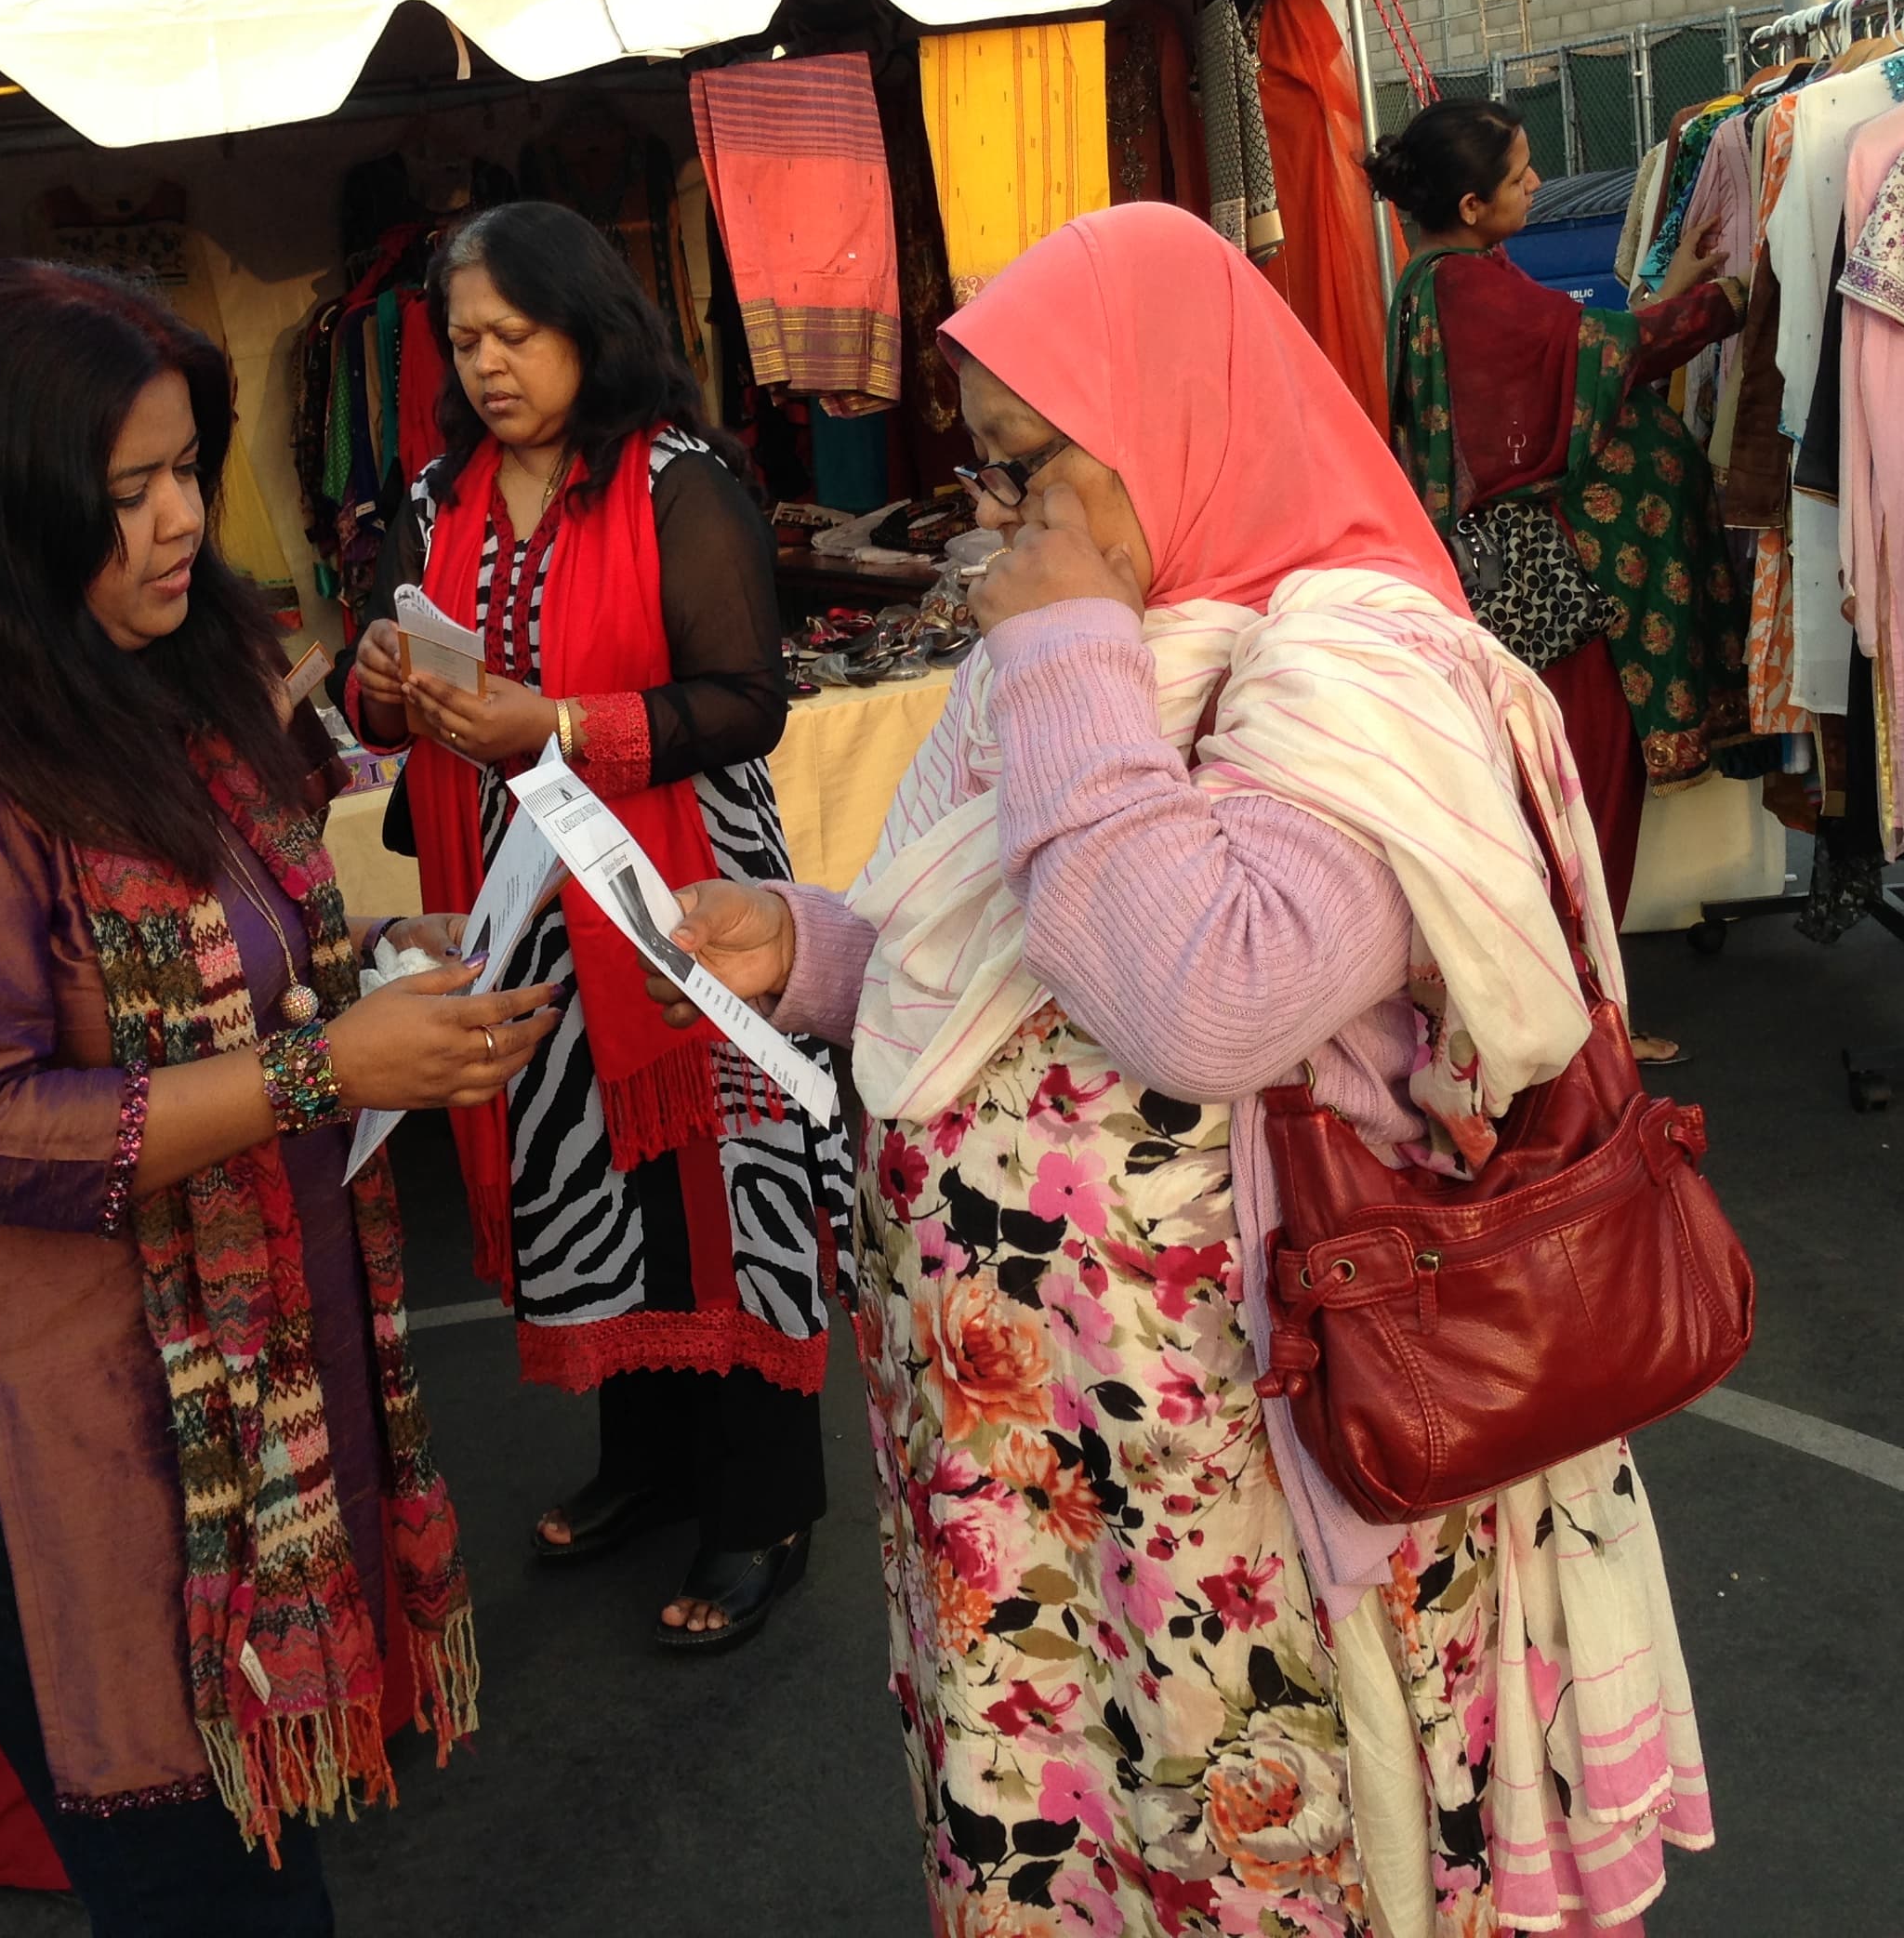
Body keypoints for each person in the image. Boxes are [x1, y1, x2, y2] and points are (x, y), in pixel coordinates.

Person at [641, 206, 1712, 1934]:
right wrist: (811, 948)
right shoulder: (1085, 657)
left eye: (1024, 469)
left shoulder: (1354, 679)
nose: (995, 525)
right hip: (1044, 1479)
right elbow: (997, 968)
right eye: (978, 478)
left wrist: (1061, 645)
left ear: (1166, 419)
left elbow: (1197, 994)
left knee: (1257, 1859)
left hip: (1250, 1491)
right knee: (1083, 1847)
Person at [0, 260, 554, 1934]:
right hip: (55, 1427)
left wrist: (374, 964)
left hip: (189, 1377)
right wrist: (315, 1069)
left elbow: (224, 938)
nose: (182, 519)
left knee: (256, 1878)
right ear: (0, 500)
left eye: (189, 465)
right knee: (204, 1892)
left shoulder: (131, 674)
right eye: (125, 492)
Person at [338, 200, 854, 1651]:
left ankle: (762, 1507)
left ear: (588, 325)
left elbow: (747, 699)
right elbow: (370, 676)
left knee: (716, 1186)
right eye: (466, 340)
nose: (489, 364)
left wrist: (556, 722)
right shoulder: (439, 500)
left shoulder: (678, 480)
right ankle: (650, 1461)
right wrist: (381, 680)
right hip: (518, 897)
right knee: (593, 1193)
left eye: (518, 333)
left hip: (682, 894)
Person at [1372, 99, 1750, 1065]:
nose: (1538, 185)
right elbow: (1598, 354)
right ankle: (1583, 1035)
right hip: (1555, 598)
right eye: (1521, 174)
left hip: (1527, 588)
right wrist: (1723, 305)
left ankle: (1572, 1019)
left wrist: (1681, 279)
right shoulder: (1467, 290)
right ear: (1469, 201)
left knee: (1558, 803)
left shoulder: (1448, 278)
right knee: (1580, 803)